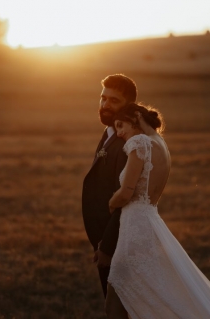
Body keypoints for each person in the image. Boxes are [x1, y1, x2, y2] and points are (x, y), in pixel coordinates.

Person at [105, 102, 210, 319]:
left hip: (135, 224)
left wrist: (111, 203)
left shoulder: (139, 142)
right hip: (149, 219)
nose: (121, 133)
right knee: (151, 287)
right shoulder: (160, 143)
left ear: (136, 116)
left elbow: (126, 192)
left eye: (121, 125)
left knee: (116, 289)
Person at [82, 74, 137, 313]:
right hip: (104, 238)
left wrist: (107, 246)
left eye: (114, 100)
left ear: (129, 105)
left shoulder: (127, 142)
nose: (105, 105)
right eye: (103, 98)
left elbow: (125, 198)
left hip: (116, 242)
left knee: (120, 309)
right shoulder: (109, 133)